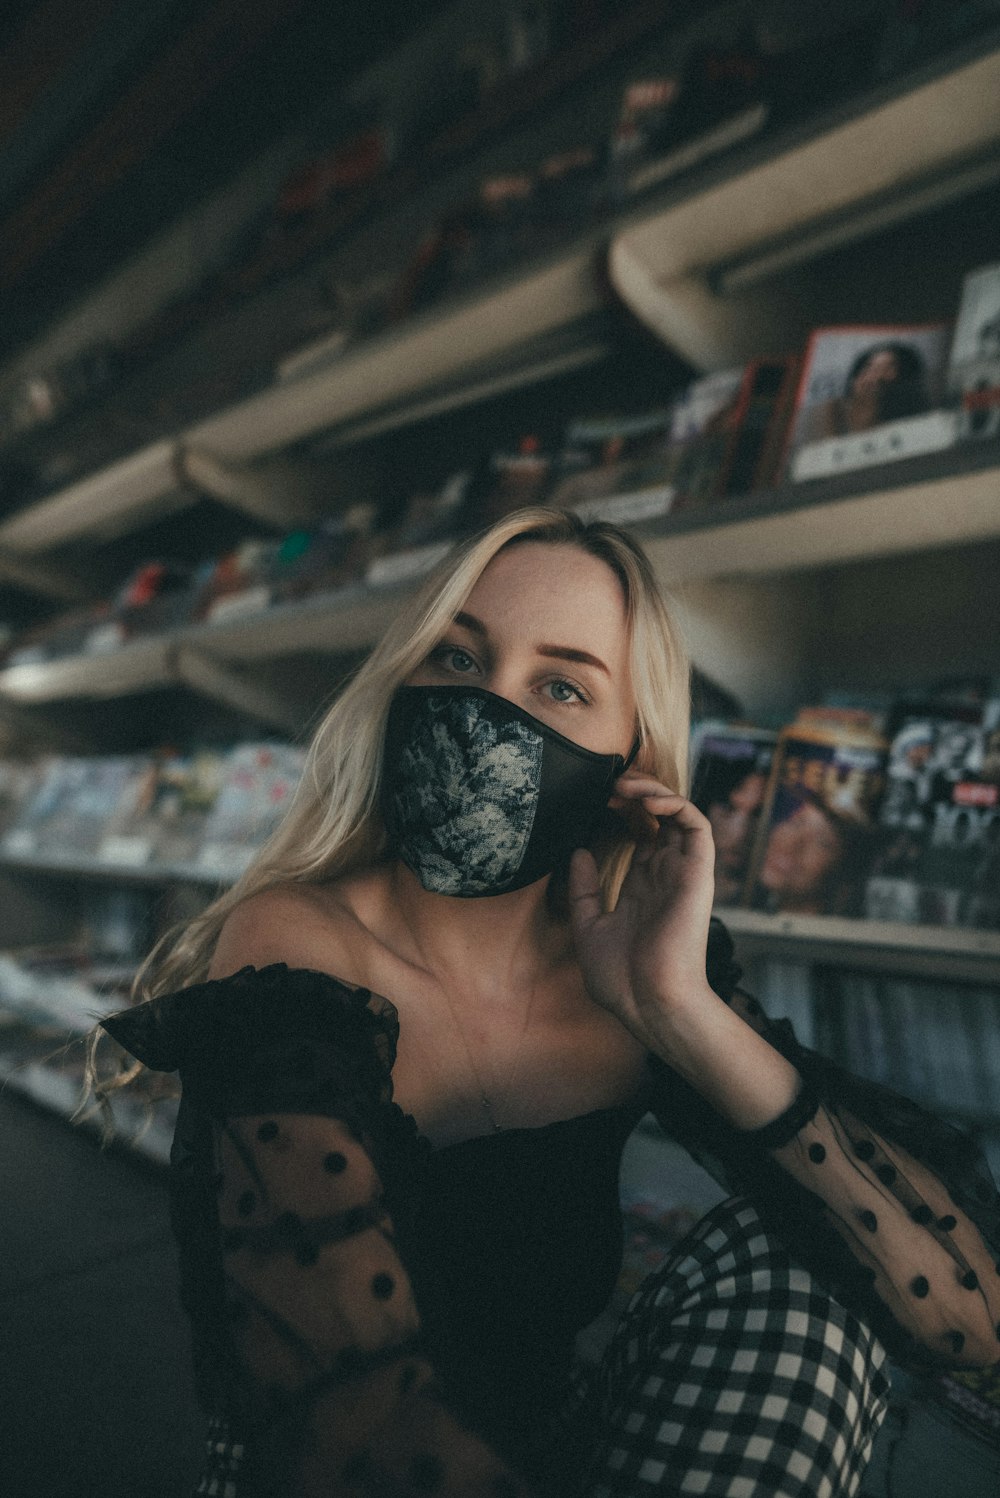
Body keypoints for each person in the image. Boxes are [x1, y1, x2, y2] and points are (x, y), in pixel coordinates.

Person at [83, 508, 1000, 1498]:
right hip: (329, 1469)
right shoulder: (292, 950)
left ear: (629, 763)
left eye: (560, 686)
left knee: (803, 1265)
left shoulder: (619, 975)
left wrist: (678, 1010)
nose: (488, 713)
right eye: (459, 658)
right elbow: (354, 1431)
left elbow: (959, 1313)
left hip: (558, 1448)